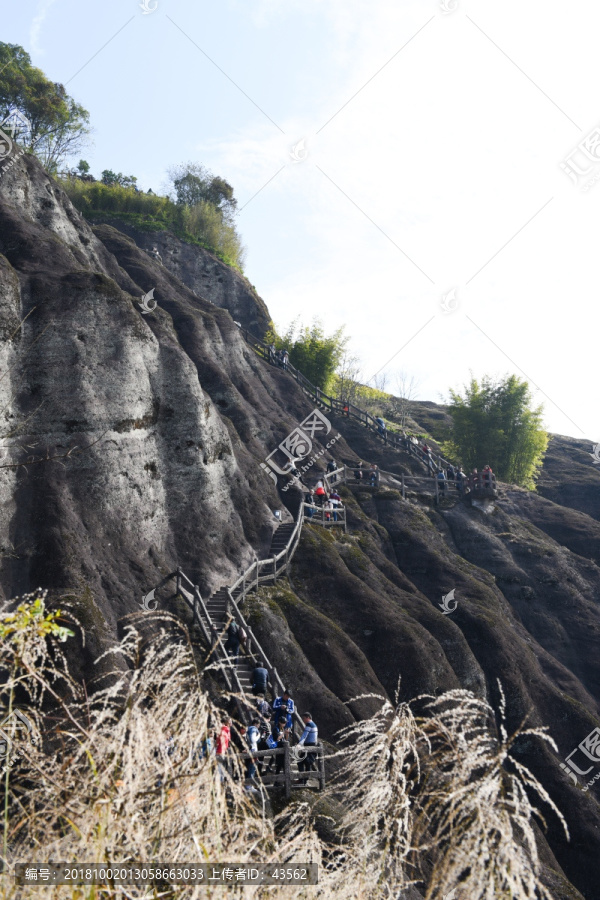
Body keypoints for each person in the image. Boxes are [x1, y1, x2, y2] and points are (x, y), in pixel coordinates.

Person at [296, 712, 319, 785]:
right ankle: (304, 780)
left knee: (300, 762)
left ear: (308, 717)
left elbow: (304, 735)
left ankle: (302, 780)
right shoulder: (314, 725)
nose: (303, 720)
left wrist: (299, 744)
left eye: (304, 718)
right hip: (313, 745)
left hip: (308, 746)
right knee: (307, 764)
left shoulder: (309, 725)